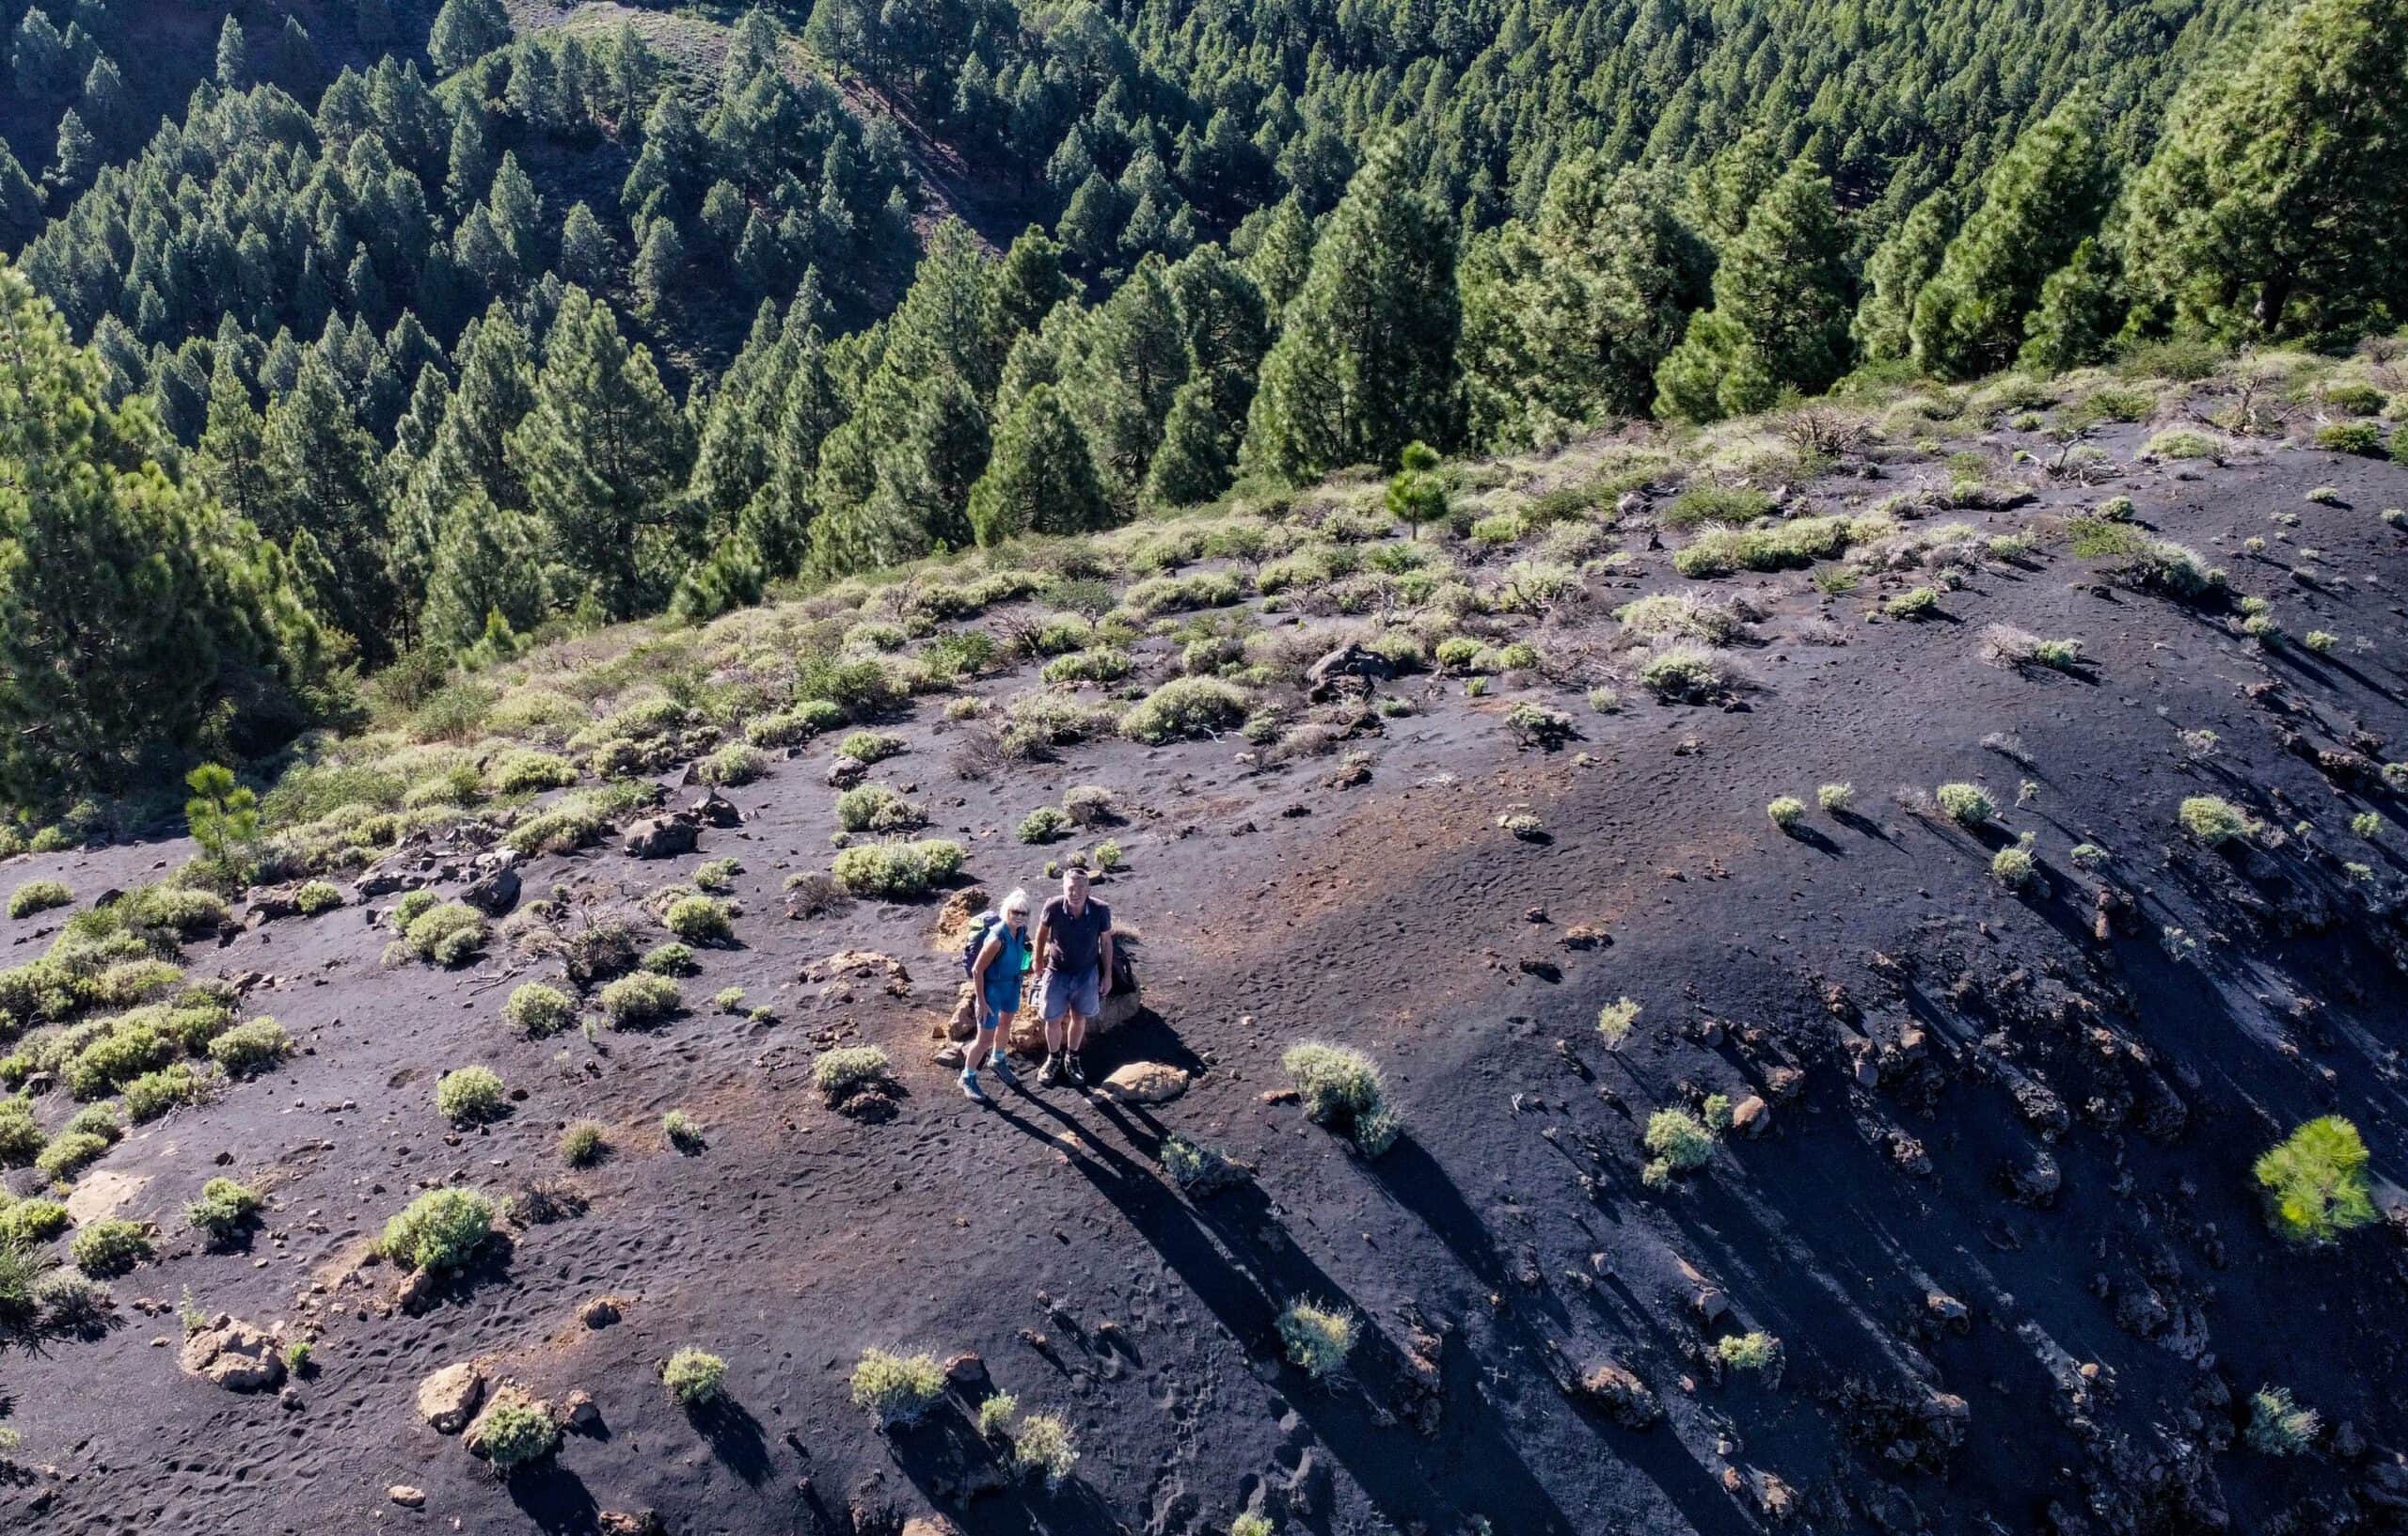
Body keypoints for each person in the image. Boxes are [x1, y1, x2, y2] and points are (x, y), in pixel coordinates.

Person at [1030, 865, 1113, 1088]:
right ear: (1063, 888)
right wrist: (1037, 960)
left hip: (1086, 974)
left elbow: (1106, 942)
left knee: (1079, 1017)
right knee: (1052, 1018)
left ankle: (1072, 1057)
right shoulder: (1053, 906)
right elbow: (1041, 933)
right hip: (1057, 972)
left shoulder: (1100, 910)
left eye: (1078, 888)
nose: (1073, 893)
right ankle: (1054, 1057)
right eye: (1069, 888)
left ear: (1088, 889)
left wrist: (1107, 975)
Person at [961, 889, 1031, 1103]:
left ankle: (998, 1059)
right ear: (1006, 911)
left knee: (1006, 1024)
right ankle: (968, 1077)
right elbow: (977, 970)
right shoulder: (997, 938)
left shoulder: (1020, 932)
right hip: (992, 990)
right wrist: (981, 1001)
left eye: (1023, 912)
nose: (1019, 916)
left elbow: (1022, 958)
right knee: (984, 1039)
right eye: (1015, 912)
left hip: (1011, 987)